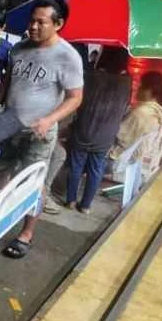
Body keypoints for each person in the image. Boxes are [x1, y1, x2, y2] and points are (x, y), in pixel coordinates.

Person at [0, 0, 84, 259]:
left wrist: (49, 120)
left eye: (41, 22)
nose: (33, 27)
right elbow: (7, 81)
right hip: (8, 125)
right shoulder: (19, 48)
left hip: (40, 133)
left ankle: (26, 233)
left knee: (34, 184)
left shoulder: (67, 56)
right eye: (31, 21)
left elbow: (75, 97)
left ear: (58, 24)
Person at [63, 47, 132, 213]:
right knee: (96, 169)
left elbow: (78, 100)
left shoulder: (90, 76)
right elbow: (125, 107)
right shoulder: (127, 82)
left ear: (104, 57)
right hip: (106, 132)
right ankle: (86, 206)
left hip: (84, 127)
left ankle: (71, 200)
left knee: (76, 165)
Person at [107, 70, 162, 170]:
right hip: (131, 160)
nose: (136, 89)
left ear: (149, 90)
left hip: (116, 161)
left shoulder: (141, 113)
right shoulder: (156, 111)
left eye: (140, 86)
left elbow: (120, 138)